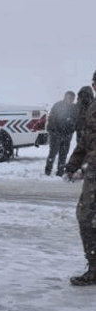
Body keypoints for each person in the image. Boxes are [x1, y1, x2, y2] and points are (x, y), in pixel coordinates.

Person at [64, 71, 96, 285]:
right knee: (85, 216)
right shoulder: (92, 109)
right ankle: (94, 267)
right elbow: (85, 141)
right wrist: (73, 165)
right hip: (93, 174)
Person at [45, 90, 76, 176]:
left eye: (73, 98)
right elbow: (51, 118)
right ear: (65, 97)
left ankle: (60, 171)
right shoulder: (58, 105)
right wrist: (54, 131)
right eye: (70, 98)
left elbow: (76, 120)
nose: (71, 100)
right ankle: (48, 171)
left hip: (67, 135)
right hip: (56, 134)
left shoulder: (74, 108)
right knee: (53, 153)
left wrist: (72, 128)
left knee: (63, 154)